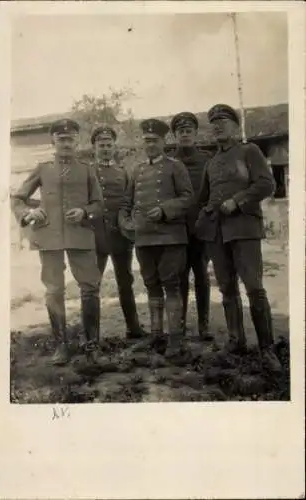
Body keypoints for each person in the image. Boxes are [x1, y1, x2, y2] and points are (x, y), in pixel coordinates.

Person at [195, 104, 282, 373]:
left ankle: (267, 348)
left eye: (223, 121)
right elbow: (203, 197)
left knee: (254, 288)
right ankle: (236, 341)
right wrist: (204, 216)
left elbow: (267, 184)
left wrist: (238, 200)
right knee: (227, 288)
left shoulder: (249, 151)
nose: (218, 126)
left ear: (234, 125)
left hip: (244, 229)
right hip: (217, 234)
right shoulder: (211, 163)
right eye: (214, 123)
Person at [11, 119, 104, 366]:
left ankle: (92, 345)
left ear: (76, 141)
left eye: (70, 139)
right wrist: (29, 214)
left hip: (80, 234)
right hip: (49, 236)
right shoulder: (42, 169)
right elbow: (18, 198)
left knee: (90, 288)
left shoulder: (87, 169)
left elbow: (99, 204)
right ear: (53, 141)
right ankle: (61, 344)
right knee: (54, 290)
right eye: (61, 139)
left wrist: (85, 212)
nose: (66, 143)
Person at [119, 118, 194, 357]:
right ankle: (156, 335)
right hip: (144, 238)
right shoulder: (138, 170)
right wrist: (126, 223)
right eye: (146, 141)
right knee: (151, 285)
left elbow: (187, 198)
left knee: (171, 286)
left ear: (164, 141)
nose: (149, 144)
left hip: (170, 237)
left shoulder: (175, 167)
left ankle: (175, 340)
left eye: (154, 140)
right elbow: (126, 203)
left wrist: (164, 210)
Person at [90, 125, 146, 340]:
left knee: (125, 282)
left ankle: (133, 328)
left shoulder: (123, 172)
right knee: (92, 285)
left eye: (109, 145)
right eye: (101, 145)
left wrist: (128, 224)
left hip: (119, 236)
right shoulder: (89, 170)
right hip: (95, 236)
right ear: (94, 147)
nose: (105, 149)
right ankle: (92, 334)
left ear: (114, 147)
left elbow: (129, 201)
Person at [170, 111, 212, 341]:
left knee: (202, 275)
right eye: (180, 132)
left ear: (195, 134)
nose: (184, 135)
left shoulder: (207, 159)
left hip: (201, 227)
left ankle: (204, 325)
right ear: (174, 135)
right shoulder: (169, 161)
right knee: (180, 277)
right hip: (177, 229)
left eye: (188, 131)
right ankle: (181, 324)